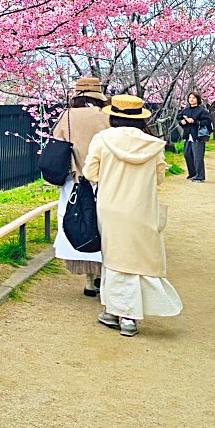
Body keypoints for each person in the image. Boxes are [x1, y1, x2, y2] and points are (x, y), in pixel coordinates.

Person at [82, 95, 182, 337]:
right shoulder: (152, 144)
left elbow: (90, 173)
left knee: (115, 258)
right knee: (139, 258)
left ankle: (116, 311)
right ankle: (129, 316)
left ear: (114, 116)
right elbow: (159, 178)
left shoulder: (103, 139)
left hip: (111, 207)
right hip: (142, 208)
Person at [51, 76, 110, 297]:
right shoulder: (107, 115)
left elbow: (58, 143)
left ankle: (88, 281)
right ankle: (103, 276)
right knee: (104, 228)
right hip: (103, 180)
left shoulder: (67, 116)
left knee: (79, 225)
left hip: (75, 182)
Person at [177, 92, 213, 181]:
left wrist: (195, 121)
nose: (191, 99)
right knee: (187, 154)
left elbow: (207, 122)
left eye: (193, 98)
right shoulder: (186, 110)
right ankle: (192, 173)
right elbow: (179, 118)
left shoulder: (202, 111)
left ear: (198, 99)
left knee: (198, 156)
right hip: (188, 135)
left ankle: (199, 176)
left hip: (197, 136)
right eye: (190, 97)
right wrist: (182, 122)